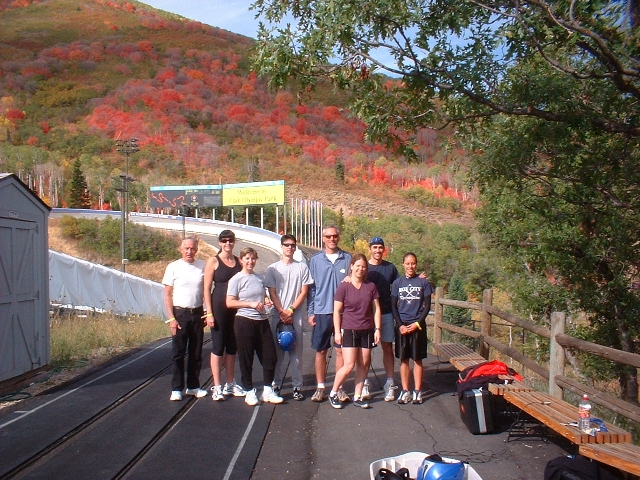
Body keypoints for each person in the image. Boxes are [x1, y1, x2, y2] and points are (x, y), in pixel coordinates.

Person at [227, 247, 283, 406]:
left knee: (270, 357)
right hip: (244, 321)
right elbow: (229, 302)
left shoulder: (259, 277)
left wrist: (266, 301)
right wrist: (250, 304)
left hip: (262, 320)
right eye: (247, 258)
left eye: (253, 259)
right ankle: (249, 391)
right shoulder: (236, 279)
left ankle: (267, 391)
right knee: (246, 358)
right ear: (241, 260)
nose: (250, 262)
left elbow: (262, 295)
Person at [329, 254, 381, 409]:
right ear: (351, 266)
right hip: (349, 329)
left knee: (363, 365)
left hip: (367, 329)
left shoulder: (370, 286)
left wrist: (377, 329)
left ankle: (357, 396)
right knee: (349, 365)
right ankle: (333, 392)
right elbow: (336, 311)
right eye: (357, 265)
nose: (360, 269)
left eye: (363, 266)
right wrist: (337, 332)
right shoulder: (344, 286)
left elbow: (376, 309)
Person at [265, 234, 314, 401]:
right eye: (286, 244)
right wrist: (282, 312)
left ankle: (297, 386)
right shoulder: (272, 268)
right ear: (281, 246)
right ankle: (276, 384)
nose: (290, 247)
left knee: (296, 354)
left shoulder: (302, 268)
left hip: (296, 316)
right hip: (277, 316)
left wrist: (291, 310)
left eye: (292, 245)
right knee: (277, 353)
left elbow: (304, 292)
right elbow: (272, 292)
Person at [307, 225, 352, 403]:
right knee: (321, 350)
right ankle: (320, 387)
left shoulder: (347, 258)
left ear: (338, 237)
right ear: (323, 238)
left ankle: (339, 388)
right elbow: (311, 289)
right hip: (322, 311)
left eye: (334, 236)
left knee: (341, 351)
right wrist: (311, 311)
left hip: (344, 313)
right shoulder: (315, 260)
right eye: (328, 236)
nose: (331, 239)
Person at [163, 236, 207, 401]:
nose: (189, 251)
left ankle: (193, 386)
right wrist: (171, 319)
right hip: (180, 313)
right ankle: (176, 388)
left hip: (197, 312)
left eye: (192, 249)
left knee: (196, 352)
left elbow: (206, 291)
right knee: (178, 353)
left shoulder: (202, 265)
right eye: (186, 248)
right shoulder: (173, 267)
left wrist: (208, 312)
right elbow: (167, 294)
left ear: (196, 250)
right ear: (181, 249)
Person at [203, 229, 244, 401]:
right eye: (224, 241)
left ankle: (230, 383)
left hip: (235, 310)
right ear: (219, 242)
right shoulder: (213, 261)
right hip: (218, 309)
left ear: (234, 242)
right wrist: (209, 313)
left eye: (230, 240)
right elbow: (206, 289)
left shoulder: (239, 261)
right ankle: (217, 386)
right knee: (218, 347)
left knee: (232, 347)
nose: (228, 243)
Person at [391, 252, 434, 405]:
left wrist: (417, 324)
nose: (410, 266)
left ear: (416, 264)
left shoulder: (423, 282)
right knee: (404, 360)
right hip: (402, 325)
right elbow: (393, 306)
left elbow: (427, 306)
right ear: (403, 264)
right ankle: (405, 390)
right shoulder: (397, 283)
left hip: (418, 325)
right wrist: (400, 325)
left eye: (413, 263)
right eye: (408, 263)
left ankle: (417, 390)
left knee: (417, 359)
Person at [362, 236, 400, 402]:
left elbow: (400, 285)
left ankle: (390, 383)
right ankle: (364, 382)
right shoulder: (364, 267)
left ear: (384, 250)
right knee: (365, 350)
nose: (377, 250)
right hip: (366, 315)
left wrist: (417, 279)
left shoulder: (390, 268)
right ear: (370, 249)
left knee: (387, 348)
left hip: (386, 313)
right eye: (375, 247)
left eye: (380, 247)